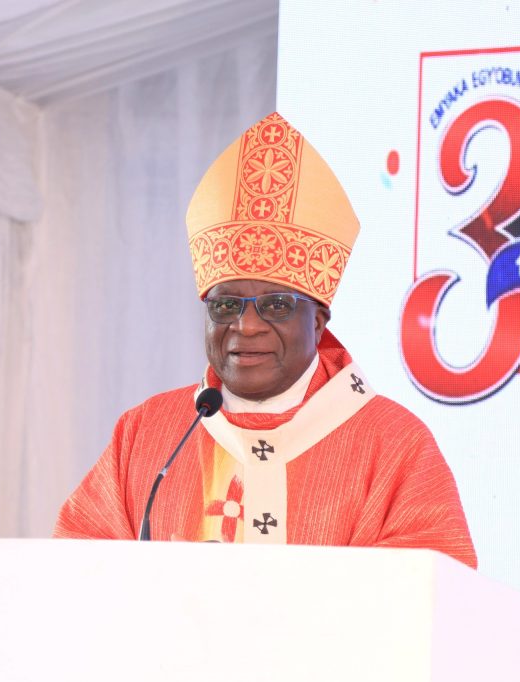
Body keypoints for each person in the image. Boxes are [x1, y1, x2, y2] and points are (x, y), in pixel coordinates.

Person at [54, 112, 476, 568]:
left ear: (318, 322)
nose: (246, 326)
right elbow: (77, 574)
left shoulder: (394, 444)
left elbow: (432, 596)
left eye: (275, 306)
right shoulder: (146, 434)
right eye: (226, 305)